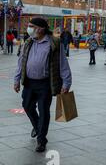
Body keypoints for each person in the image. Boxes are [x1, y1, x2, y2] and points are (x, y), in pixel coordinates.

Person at [14, 17, 72, 153]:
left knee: (44, 111)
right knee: (27, 106)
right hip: (29, 82)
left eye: (31, 26)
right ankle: (38, 126)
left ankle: (41, 140)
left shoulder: (55, 43)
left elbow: (63, 65)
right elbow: (20, 62)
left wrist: (66, 83)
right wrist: (16, 80)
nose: (28, 28)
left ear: (40, 29)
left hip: (45, 84)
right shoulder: (28, 42)